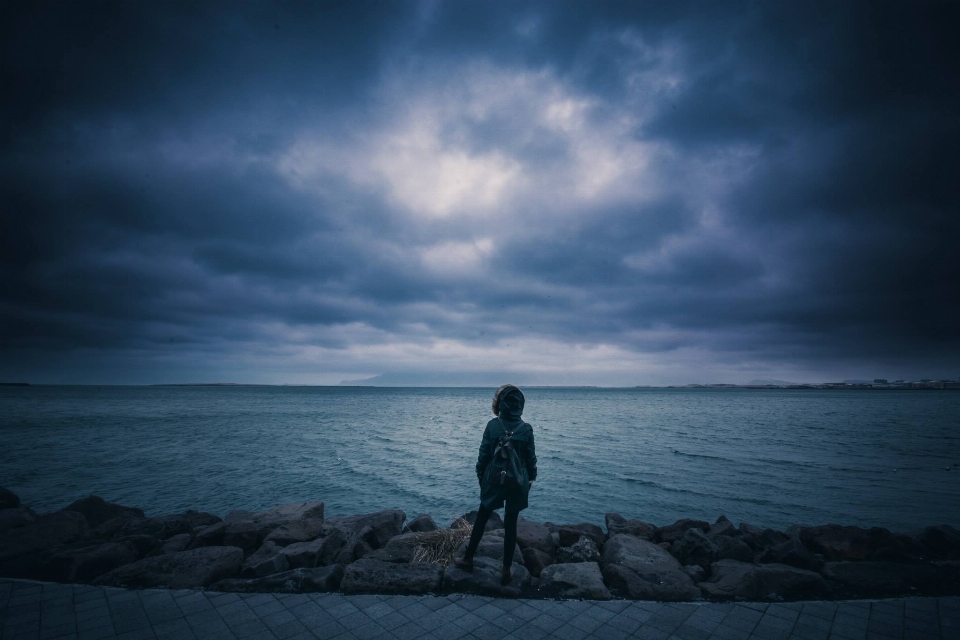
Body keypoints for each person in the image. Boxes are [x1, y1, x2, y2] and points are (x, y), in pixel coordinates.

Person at [455, 384, 538, 585]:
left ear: (499, 403)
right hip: (517, 482)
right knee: (511, 525)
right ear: (521, 405)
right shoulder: (526, 429)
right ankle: (506, 570)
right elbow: (531, 459)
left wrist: (480, 476)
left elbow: (483, 456)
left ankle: (467, 558)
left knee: (482, 517)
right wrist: (530, 479)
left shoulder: (493, 426)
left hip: (493, 480)